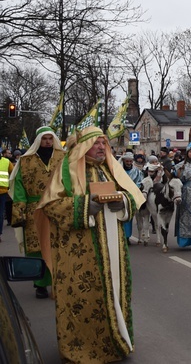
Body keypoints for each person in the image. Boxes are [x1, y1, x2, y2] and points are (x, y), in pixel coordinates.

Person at [37, 126, 144, 363]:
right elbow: (51, 206)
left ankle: (117, 340)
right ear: (83, 146)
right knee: (85, 299)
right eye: (95, 143)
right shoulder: (67, 171)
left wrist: (124, 203)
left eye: (103, 143)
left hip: (113, 247)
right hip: (80, 252)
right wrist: (83, 206)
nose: (100, 147)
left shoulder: (109, 169)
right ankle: (84, 346)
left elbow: (131, 195)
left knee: (115, 292)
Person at [8, 126, 65, 298]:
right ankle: (40, 283)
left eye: (50, 138)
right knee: (36, 247)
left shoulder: (63, 158)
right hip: (34, 209)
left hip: (57, 208)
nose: (47, 142)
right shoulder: (26, 160)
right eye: (44, 138)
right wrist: (19, 210)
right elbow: (19, 187)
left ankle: (58, 281)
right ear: (38, 140)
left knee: (58, 245)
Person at [120, 151, 143, 243]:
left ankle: (127, 236)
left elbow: (140, 181)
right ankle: (121, 235)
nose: (129, 163)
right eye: (127, 161)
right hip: (121, 195)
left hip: (132, 196)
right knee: (121, 215)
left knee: (129, 216)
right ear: (124, 161)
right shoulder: (119, 171)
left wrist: (134, 187)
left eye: (130, 161)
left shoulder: (136, 171)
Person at [0, 147, 14, 243]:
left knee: (0, 214)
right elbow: (13, 174)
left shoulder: (6, 162)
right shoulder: (6, 162)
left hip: (3, 192)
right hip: (3, 191)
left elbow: (12, 174)